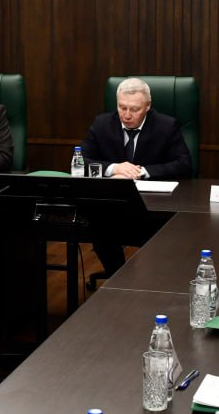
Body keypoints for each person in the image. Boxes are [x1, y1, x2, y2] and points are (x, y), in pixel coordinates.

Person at [82, 77, 191, 274]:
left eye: (134, 109)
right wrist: (114, 168)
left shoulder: (166, 126)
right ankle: (118, 276)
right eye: (122, 107)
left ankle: (153, 278)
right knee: (99, 225)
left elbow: (184, 164)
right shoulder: (102, 124)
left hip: (153, 205)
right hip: (113, 206)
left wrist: (142, 171)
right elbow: (81, 161)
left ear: (147, 106)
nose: (126, 115)